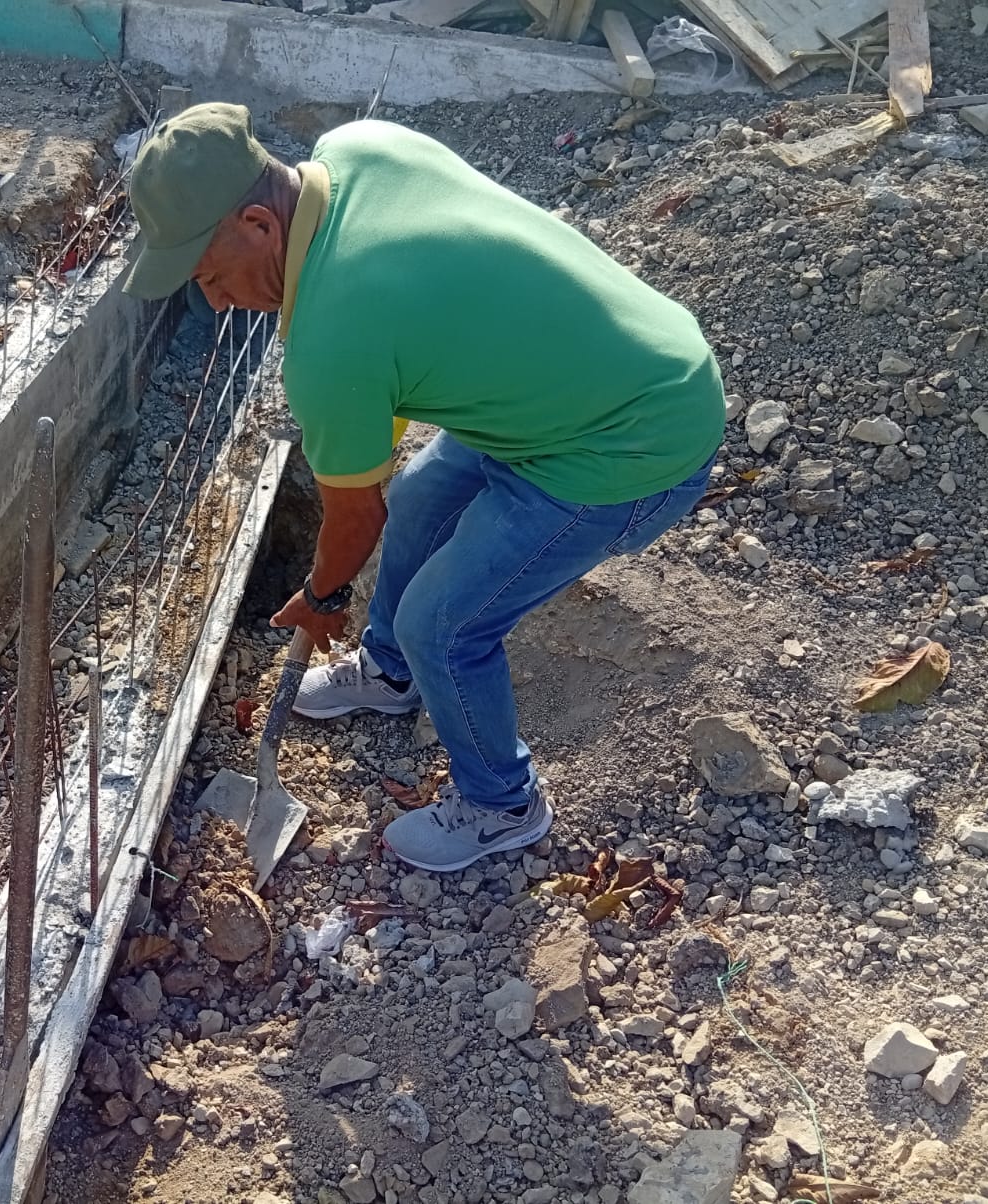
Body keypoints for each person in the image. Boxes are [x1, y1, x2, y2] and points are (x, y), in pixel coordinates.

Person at [123, 103, 723, 873]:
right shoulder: (358, 148)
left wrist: (322, 597)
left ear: (259, 225)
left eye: (210, 275)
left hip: (629, 441)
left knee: (441, 625)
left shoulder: (333, 339)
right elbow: (406, 367)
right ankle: (390, 672)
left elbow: (354, 516)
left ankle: (503, 805)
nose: (214, 300)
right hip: (591, 370)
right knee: (417, 502)